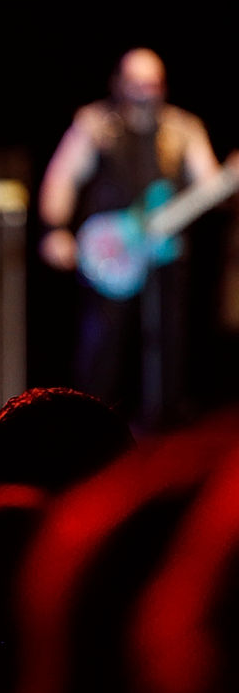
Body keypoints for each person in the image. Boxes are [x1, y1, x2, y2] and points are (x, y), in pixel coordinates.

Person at [37, 47, 220, 426]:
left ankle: (165, 437)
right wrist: (55, 229)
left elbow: (209, 184)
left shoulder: (183, 128)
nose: (143, 93)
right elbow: (62, 178)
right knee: (101, 348)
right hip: (109, 252)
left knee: (167, 349)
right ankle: (88, 434)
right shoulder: (95, 124)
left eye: (151, 84)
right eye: (135, 83)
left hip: (164, 257)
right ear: (118, 83)